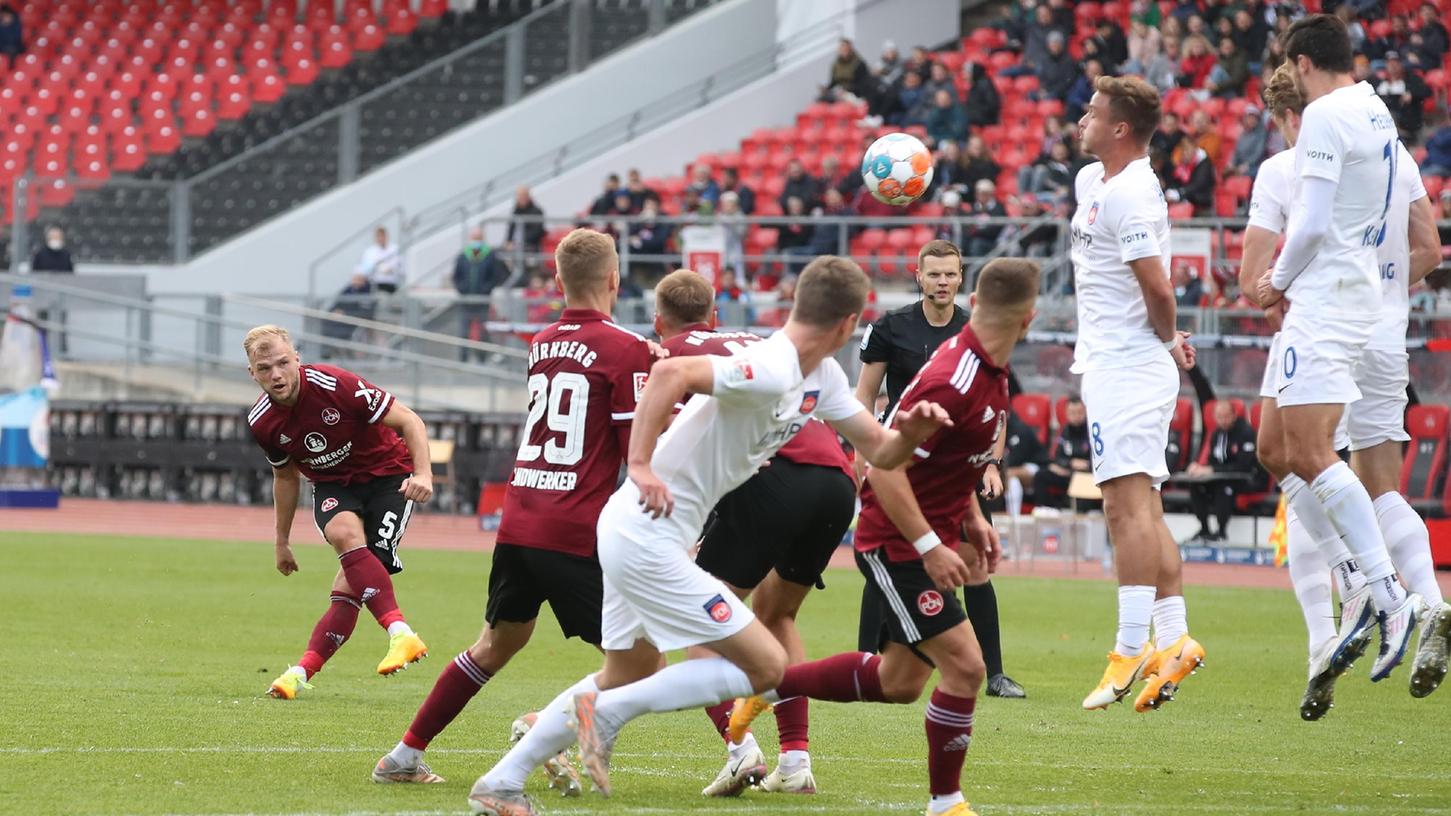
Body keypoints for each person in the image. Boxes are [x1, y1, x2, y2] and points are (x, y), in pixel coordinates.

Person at [465, 256, 953, 814]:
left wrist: (910, 431)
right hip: (646, 536)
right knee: (766, 665)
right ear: (848, 325)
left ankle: (502, 782)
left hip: (637, 532)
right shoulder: (769, 366)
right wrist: (642, 463)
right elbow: (672, 375)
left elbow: (881, 449)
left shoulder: (823, 376)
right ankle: (604, 716)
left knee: (622, 673)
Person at [727, 258, 1042, 816]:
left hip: (931, 530)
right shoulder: (954, 378)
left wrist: (969, 519)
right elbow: (884, 468)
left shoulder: (987, 368)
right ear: (1030, 318)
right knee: (967, 668)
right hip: (897, 538)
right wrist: (929, 545)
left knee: (899, 682)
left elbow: (948, 458)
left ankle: (772, 687)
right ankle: (946, 802)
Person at [372, 229, 653, 785]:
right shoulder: (627, 348)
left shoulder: (542, 341)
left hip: (519, 519)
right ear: (615, 280)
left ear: (556, 281)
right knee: (644, 662)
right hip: (573, 529)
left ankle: (403, 756)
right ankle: (539, 728)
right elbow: (635, 454)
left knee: (497, 644)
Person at [1243, 62, 1447, 718]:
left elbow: (1259, 274)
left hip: (1324, 323)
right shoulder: (1391, 151)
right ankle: (1431, 605)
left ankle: (1345, 609)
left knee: (1288, 457)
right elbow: (1429, 249)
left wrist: (1283, 284)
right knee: (1378, 485)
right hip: (1383, 331)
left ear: (1285, 113)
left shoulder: (1288, 167)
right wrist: (1383, 287)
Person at [650, 270, 856, 797]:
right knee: (778, 614)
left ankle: (741, 752)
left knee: (700, 624)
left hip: (773, 479)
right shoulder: (756, 340)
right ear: (716, 317)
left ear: (659, 322)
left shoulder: (667, 354)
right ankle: (796, 762)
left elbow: (679, 434)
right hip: (836, 479)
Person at [1071, 75, 1204, 714]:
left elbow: (1159, 287)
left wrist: (1163, 337)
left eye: (1092, 114)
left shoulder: (1132, 194)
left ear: (1120, 129)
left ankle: (1128, 649)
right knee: (1142, 511)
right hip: (1114, 364)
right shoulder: (1091, 182)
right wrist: (1168, 339)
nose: (1081, 121)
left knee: (1124, 510)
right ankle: (1174, 642)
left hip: (1128, 369)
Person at [856, 240, 1025, 700]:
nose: (943, 282)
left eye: (950, 274)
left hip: (956, 472)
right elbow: (865, 396)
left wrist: (991, 462)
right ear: (919, 276)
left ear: (961, 277)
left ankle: (995, 673)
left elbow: (998, 408)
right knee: (886, 559)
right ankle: (867, 661)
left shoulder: (978, 330)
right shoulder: (891, 327)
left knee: (978, 565)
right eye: (934, 275)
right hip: (899, 464)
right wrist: (859, 458)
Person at [243, 325, 433, 700]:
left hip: (388, 478)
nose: (276, 375)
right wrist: (281, 540)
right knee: (345, 538)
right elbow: (284, 477)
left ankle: (301, 672)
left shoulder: (335, 384)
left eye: (283, 363)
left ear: (297, 358)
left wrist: (424, 473)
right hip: (334, 485)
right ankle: (400, 633)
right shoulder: (262, 422)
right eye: (265, 368)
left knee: (351, 585)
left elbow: (409, 420)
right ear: (252, 373)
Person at [1183, 400, 1260, 543]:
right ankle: (1204, 529)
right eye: (1219, 417)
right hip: (1222, 476)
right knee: (1196, 485)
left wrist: (1212, 469)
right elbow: (1213, 461)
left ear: (1234, 415)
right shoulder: (1216, 434)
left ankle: (1222, 532)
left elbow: (1244, 465)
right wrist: (1197, 467)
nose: (1223, 421)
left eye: (1226, 416)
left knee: (1223, 487)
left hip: (1246, 479)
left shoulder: (1246, 432)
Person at [453, 227, 509, 359]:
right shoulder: (463, 256)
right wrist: (462, 289)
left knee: (483, 330)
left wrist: (485, 290)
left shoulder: (489, 256)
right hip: (466, 300)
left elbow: (495, 276)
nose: (476, 241)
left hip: (483, 300)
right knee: (464, 330)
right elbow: (456, 276)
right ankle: (463, 358)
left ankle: (482, 357)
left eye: (478, 238)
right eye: (474, 238)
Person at [1030, 395, 1090, 508]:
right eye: (1072, 413)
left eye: (1079, 412)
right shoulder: (1064, 432)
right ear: (1067, 414)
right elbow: (1057, 458)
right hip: (1067, 472)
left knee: (1081, 483)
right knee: (1041, 476)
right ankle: (1045, 508)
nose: (1076, 416)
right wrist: (1069, 463)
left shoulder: (1090, 432)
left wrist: (1085, 465)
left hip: (1086, 475)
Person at [1228, 105, 1269, 179]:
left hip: (1256, 165)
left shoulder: (1262, 134)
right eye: (1249, 117)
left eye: (1254, 118)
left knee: (1247, 174)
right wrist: (1232, 163)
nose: (1251, 120)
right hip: (1241, 164)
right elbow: (1236, 152)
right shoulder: (1243, 134)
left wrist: (1247, 164)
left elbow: (1258, 153)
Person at [358, 226, 403, 293]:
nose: (381, 238)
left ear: (387, 236)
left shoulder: (395, 249)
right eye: (378, 236)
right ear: (375, 238)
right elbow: (365, 268)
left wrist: (380, 265)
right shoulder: (370, 251)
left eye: (382, 236)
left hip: (393, 284)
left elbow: (397, 266)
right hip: (376, 284)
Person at [506, 186, 545, 256]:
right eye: (520, 195)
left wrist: (518, 243)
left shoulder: (537, 211)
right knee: (496, 252)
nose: (522, 198)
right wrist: (508, 241)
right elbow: (511, 229)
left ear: (528, 196)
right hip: (518, 244)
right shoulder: (515, 211)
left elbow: (536, 232)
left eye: (524, 195)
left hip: (532, 245)